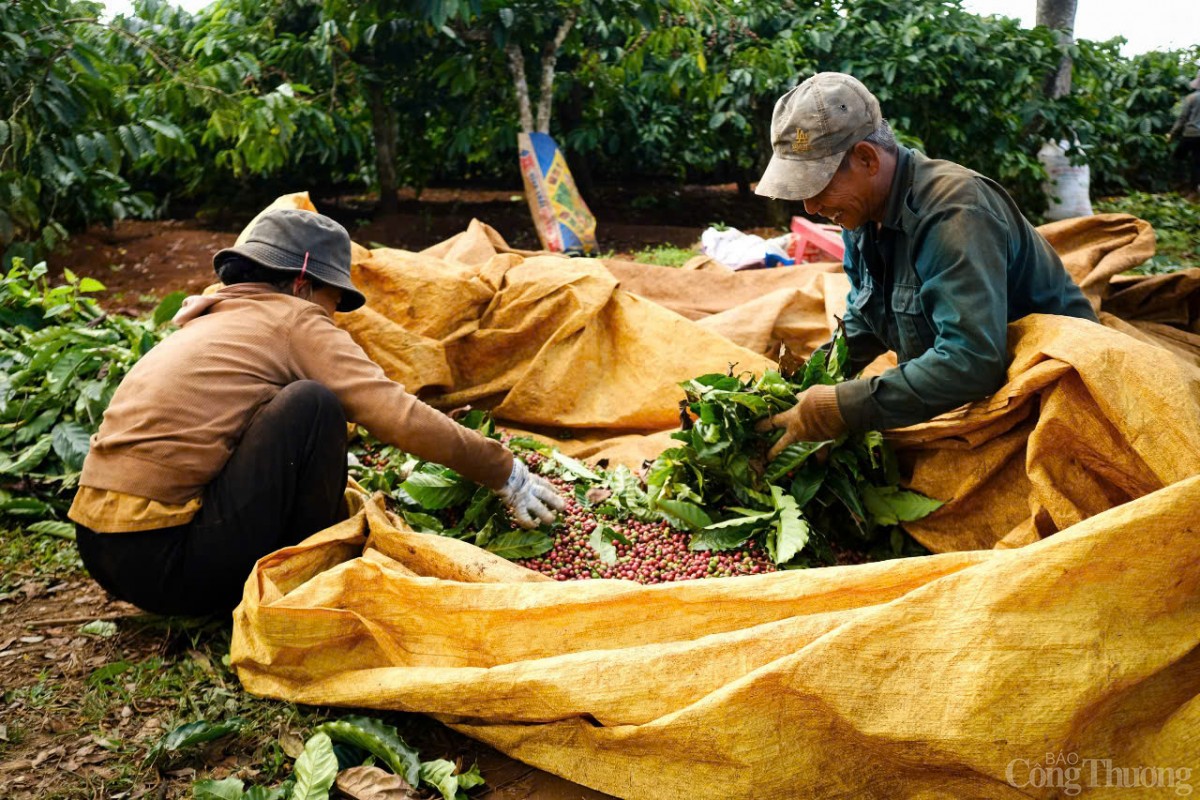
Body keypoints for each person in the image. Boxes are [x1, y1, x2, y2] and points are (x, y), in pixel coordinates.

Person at [69, 209, 564, 616]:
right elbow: (395, 414)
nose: (330, 315)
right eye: (332, 300)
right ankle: (308, 574)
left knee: (289, 404)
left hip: (101, 552)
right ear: (304, 284)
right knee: (314, 404)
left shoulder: (211, 316)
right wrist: (504, 470)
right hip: (173, 565)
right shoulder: (294, 318)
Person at [753, 72, 1097, 456]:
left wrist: (843, 406)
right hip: (973, 393)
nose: (811, 208)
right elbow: (865, 319)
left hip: (1056, 397)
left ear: (866, 158)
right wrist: (803, 386)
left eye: (817, 187)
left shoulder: (955, 213)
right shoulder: (859, 217)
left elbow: (971, 361)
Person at [1168, 68, 1200, 192]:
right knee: (1198, 161)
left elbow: (1182, 118)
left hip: (1191, 134)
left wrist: (1172, 133)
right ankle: (1194, 187)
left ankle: (1181, 183)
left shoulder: (1191, 98)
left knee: (1178, 157)